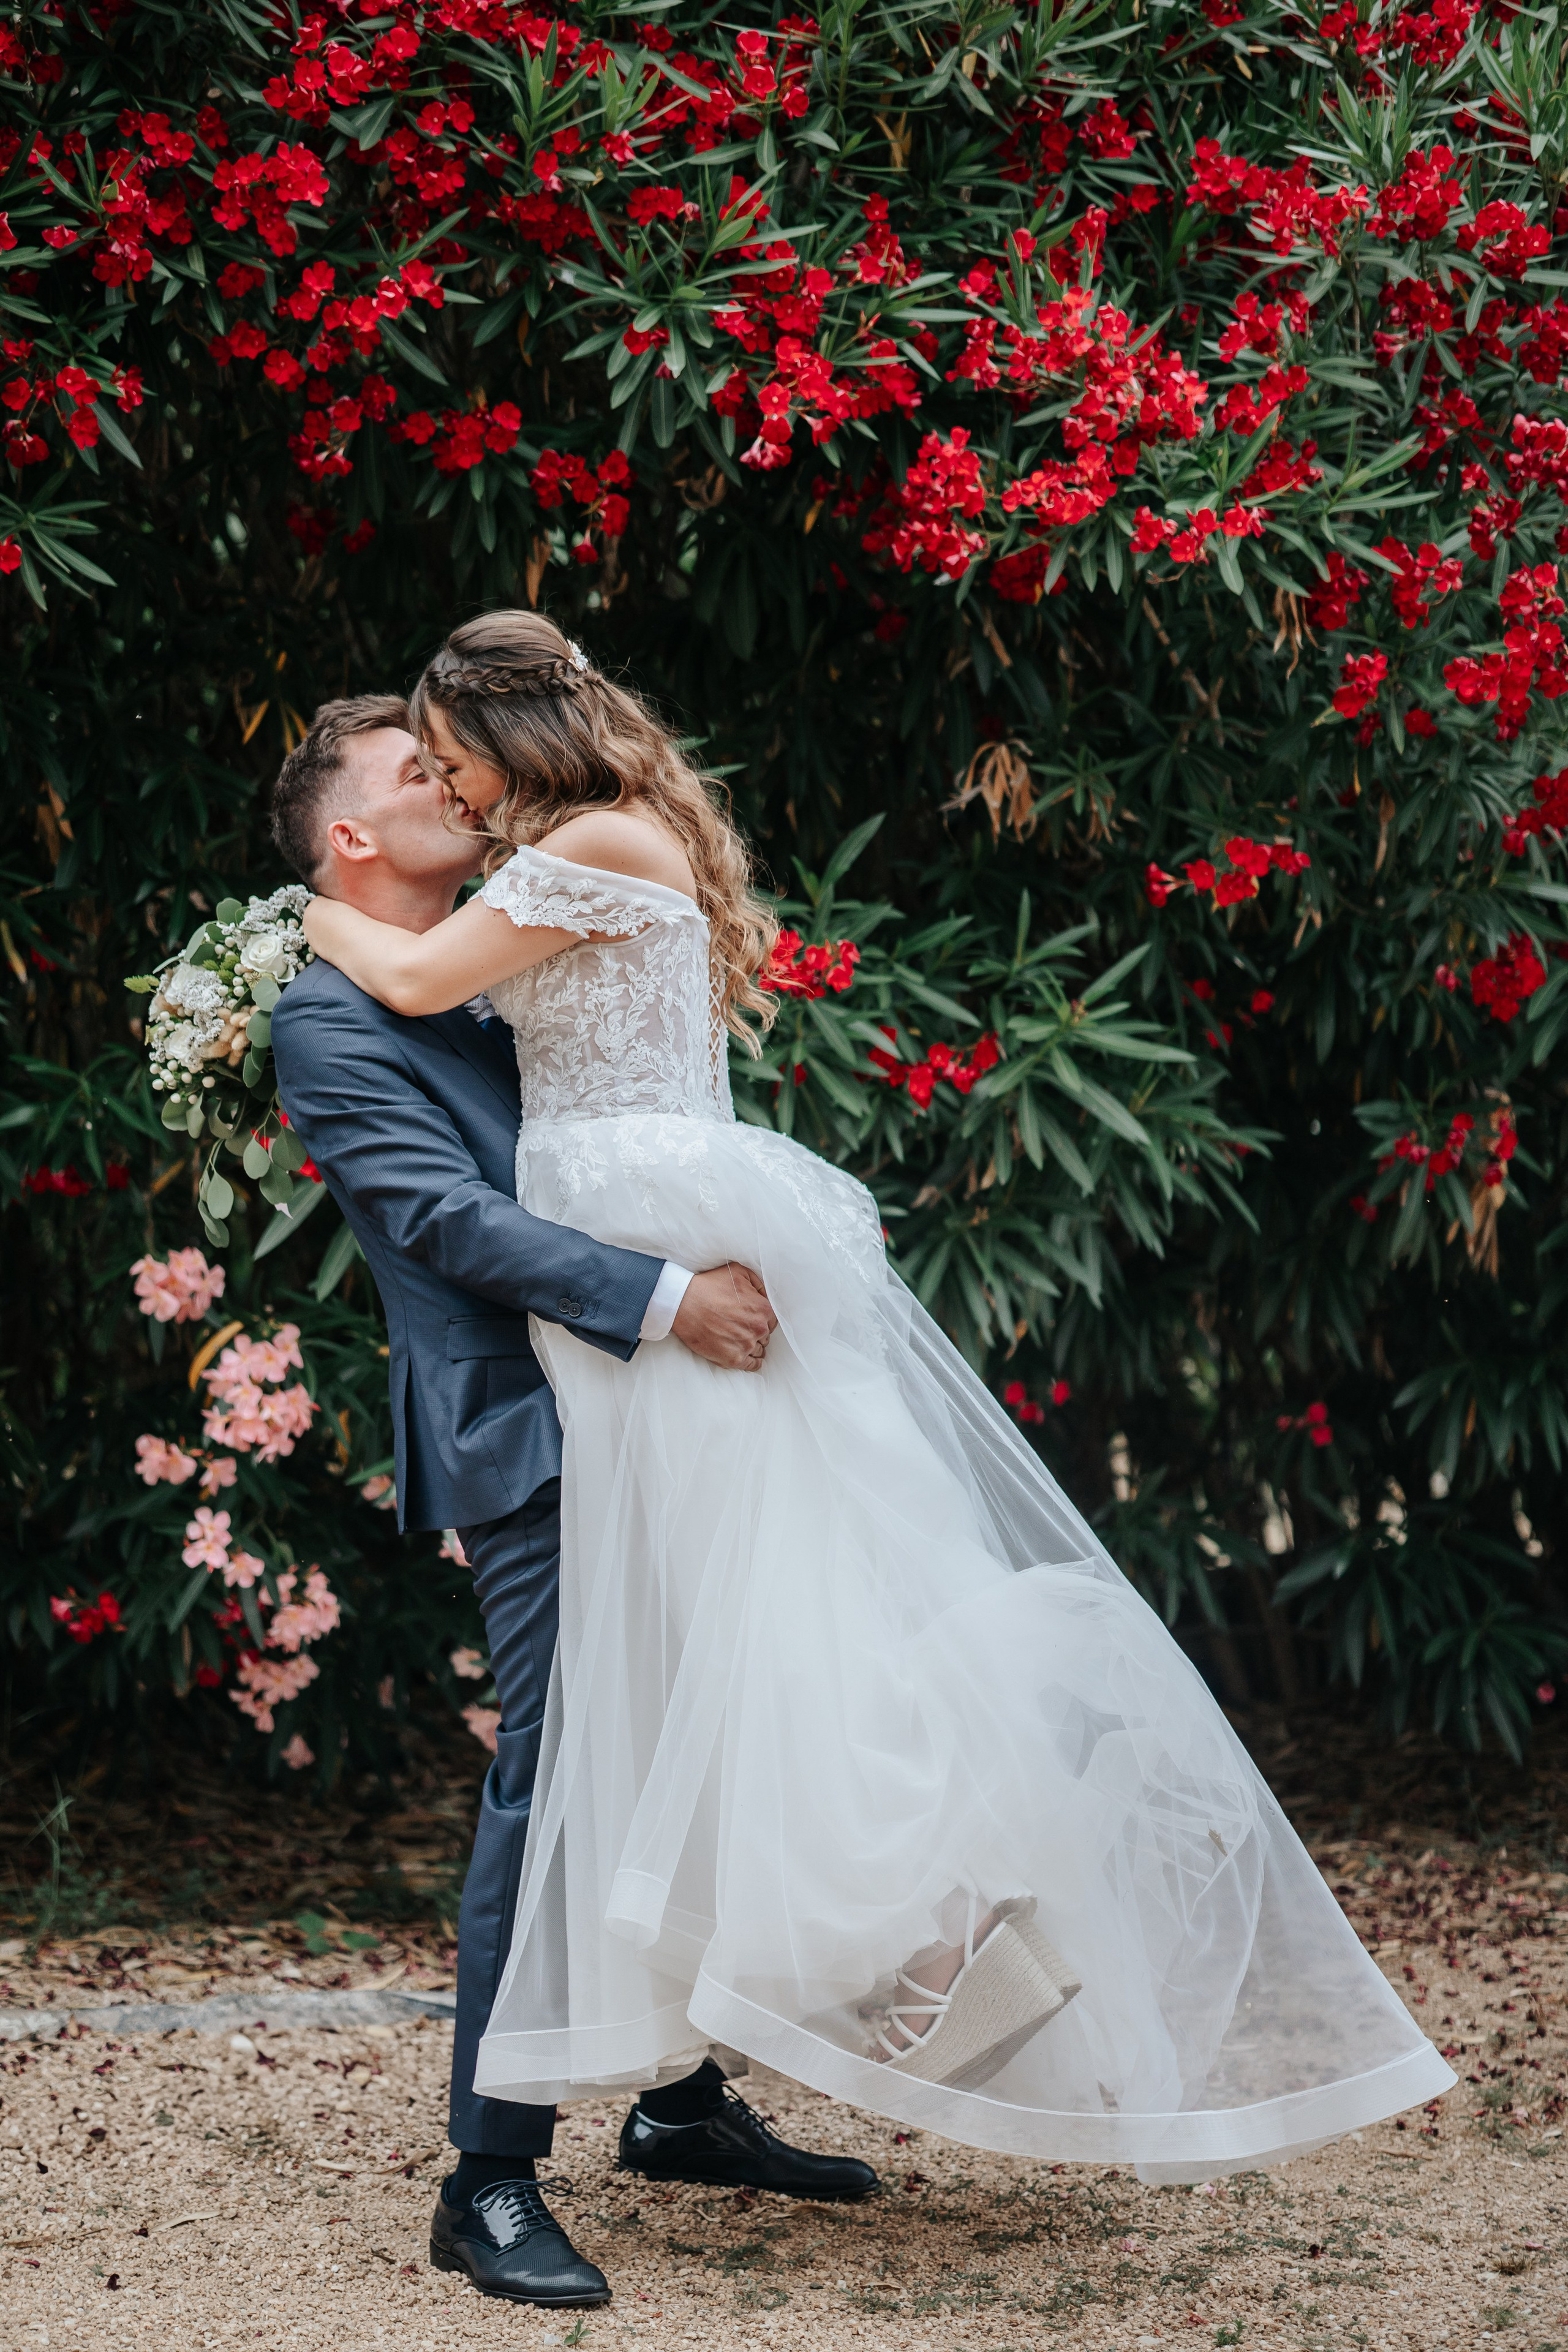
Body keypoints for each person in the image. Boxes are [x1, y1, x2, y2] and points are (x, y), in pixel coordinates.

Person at [300, 613, 1455, 2203]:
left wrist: (296, 917)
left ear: (515, 741)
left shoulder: (588, 847)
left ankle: (937, 1928)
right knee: (712, 1642)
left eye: (454, 750)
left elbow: (420, 970)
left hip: (652, 1273)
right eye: (423, 765)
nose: (451, 778)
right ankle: (771, 2027)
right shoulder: (590, 841)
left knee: (761, 1632)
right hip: (625, 1280)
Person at [268, 695, 878, 2315]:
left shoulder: (497, 942)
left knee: (702, 1724)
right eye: (416, 773)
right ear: (349, 837)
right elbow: (445, 1219)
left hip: (661, 1409)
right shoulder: (333, 1025)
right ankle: (488, 2177)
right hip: (533, 1431)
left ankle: (677, 2104)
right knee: (552, 1773)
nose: (453, 781)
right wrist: (676, 1298)